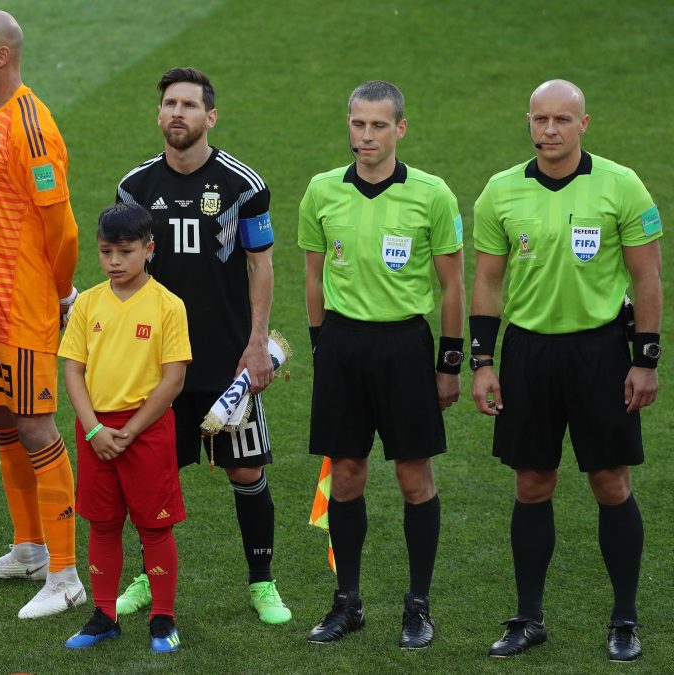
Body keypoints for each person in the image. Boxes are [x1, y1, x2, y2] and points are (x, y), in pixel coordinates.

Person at [470, 79, 663, 663]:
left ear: (585, 124)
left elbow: (648, 278)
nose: (549, 130)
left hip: (600, 354)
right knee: (532, 484)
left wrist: (644, 360)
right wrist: (482, 362)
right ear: (528, 122)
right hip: (528, 355)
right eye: (539, 119)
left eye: (561, 120)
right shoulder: (500, 191)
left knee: (610, 483)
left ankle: (624, 619)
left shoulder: (621, 185)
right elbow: (487, 281)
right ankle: (529, 617)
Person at [116, 67, 290, 625]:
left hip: (226, 363)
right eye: (169, 104)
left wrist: (257, 342)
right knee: (152, 477)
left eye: (190, 105)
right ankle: (148, 577)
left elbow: (260, 265)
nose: (177, 114)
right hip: (156, 366)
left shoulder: (243, 185)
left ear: (209, 117)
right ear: (159, 113)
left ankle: (262, 583)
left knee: (247, 472)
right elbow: (123, 275)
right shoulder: (135, 188)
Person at [299, 80, 465, 649]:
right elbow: (315, 275)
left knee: (413, 477)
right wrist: (321, 343)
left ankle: (418, 606)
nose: (365, 136)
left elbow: (451, 285)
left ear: (400, 128)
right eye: (357, 124)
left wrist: (449, 363)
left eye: (377, 125)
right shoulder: (322, 191)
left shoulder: (432, 194)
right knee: (345, 474)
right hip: (343, 346)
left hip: (405, 348)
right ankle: (347, 602)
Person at [0, 10, 83, 618]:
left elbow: (65, 230)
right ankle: (29, 549)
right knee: (4, 421)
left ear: (1, 56)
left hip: (25, 306)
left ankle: (65, 574)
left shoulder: (32, 125)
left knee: (36, 428)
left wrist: (58, 299)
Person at [60, 203, 191, 653]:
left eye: (125, 251)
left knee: (154, 528)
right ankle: (104, 615)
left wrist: (129, 431)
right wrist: (95, 430)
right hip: (96, 432)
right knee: (102, 523)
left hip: (146, 432)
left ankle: (163, 618)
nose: (114, 261)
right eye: (106, 252)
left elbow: (173, 379)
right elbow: (73, 371)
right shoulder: (88, 304)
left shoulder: (168, 306)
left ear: (149, 249)